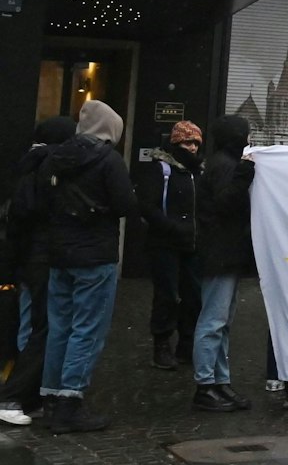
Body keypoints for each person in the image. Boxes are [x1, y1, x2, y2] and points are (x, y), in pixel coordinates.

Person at [16, 100, 135, 433]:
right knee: (87, 329)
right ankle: (70, 402)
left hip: (59, 254)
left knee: (60, 326)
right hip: (94, 256)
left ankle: (51, 396)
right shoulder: (108, 161)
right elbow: (125, 204)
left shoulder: (55, 157)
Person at [0, 118, 72, 427]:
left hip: (26, 260)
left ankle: (24, 394)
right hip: (40, 259)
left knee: (32, 327)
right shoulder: (48, 168)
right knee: (46, 327)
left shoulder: (27, 165)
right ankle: (13, 395)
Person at [190, 117, 256, 413]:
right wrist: (244, 176)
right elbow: (225, 202)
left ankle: (218, 381)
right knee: (214, 321)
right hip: (220, 252)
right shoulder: (225, 165)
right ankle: (206, 385)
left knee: (221, 322)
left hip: (223, 252)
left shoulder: (219, 162)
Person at [136, 120, 203, 371]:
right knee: (167, 295)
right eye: (188, 142)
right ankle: (161, 345)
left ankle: (186, 345)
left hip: (192, 243)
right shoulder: (161, 170)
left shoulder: (198, 172)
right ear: (176, 143)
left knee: (193, 296)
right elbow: (147, 205)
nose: (193, 148)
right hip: (165, 243)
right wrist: (171, 226)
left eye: (196, 142)